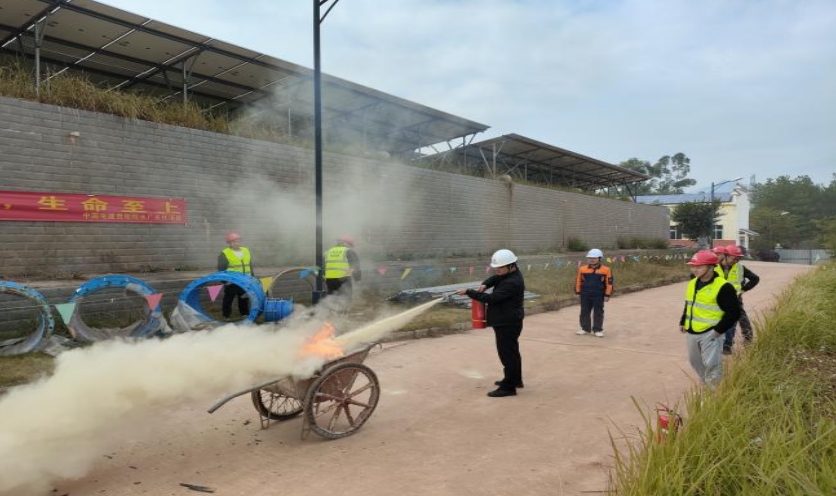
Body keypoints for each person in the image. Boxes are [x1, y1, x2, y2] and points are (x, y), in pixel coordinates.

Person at [456, 249, 525, 398]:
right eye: (496, 268)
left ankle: (509, 387)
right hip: (507, 320)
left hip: (508, 323)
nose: (498, 270)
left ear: (511, 266)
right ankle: (515, 380)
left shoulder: (513, 282)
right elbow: (495, 279)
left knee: (507, 355)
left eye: (500, 268)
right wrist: (485, 284)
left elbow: (492, 299)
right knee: (512, 353)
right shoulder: (507, 274)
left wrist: (469, 292)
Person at [680, 250, 741, 388]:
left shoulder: (724, 287)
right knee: (694, 361)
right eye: (692, 266)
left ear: (711, 267)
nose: (694, 270)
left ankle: (713, 395)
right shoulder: (693, 282)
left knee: (712, 364)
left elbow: (734, 312)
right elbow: (689, 303)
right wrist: (683, 320)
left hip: (711, 332)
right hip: (692, 330)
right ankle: (707, 384)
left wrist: (718, 331)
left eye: (699, 266)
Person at [718, 245, 760, 354]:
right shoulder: (714, 267)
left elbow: (755, 278)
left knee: (735, 319)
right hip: (717, 298)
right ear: (726, 256)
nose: (736, 260)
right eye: (734, 258)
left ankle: (729, 345)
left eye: (738, 258)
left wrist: (743, 289)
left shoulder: (740, 268)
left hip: (734, 298)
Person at [575, 248, 614, 337]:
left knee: (598, 312)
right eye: (589, 258)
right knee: (584, 311)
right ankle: (585, 328)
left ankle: (597, 329)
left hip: (598, 295)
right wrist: (578, 292)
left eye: (594, 258)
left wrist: (607, 294)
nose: (591, 260)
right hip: (585, 294)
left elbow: (609, 283)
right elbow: (578, 281)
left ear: (599, 259)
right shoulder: (582, 269)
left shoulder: (606, 270)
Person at [217, 232, 254, 319]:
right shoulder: (225, 253)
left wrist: (252, 276)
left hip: (245, 280)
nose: (236, 243)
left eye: (238, 241)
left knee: (244, 297)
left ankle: (244, 313)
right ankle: (226, 315)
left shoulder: (246, 250)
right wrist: (225, 281)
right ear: (229, 243)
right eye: (233, 242)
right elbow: (221, 268)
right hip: (231, 281)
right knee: (228, 299)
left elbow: (250, 265)